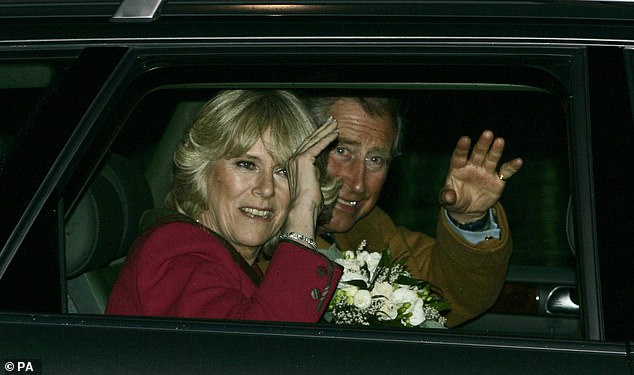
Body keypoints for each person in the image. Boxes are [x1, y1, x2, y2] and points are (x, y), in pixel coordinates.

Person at [106, 90, 342, 322]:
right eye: (247, 164)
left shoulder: (231, 263)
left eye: (283, 172)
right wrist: (301, 217)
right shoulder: (178, 251)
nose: (266, 188)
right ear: (203, 170)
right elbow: (253, 351)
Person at [306, 96, 523, 327]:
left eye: (375, 159)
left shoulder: (372, 231)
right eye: (342, 150)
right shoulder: (267, 233)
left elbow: (452, 295)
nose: (358, 183)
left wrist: (470, 220)